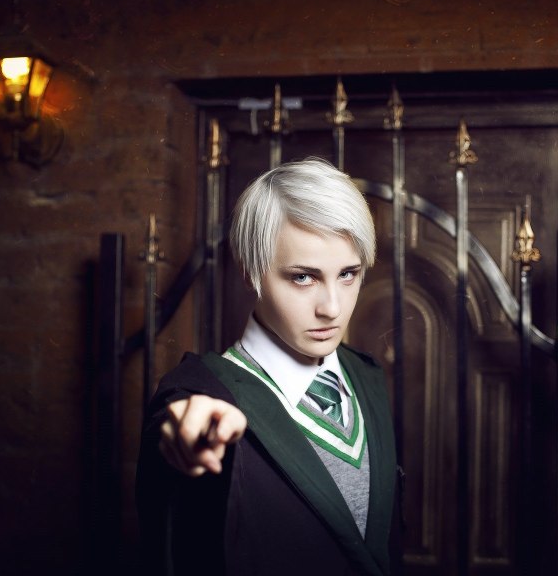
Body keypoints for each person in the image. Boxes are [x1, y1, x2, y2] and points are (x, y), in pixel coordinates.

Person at [136, 158, 402, 576]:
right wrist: (187, 437)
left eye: (348, 274)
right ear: (250, 272)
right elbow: (175, 433)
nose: (332, 307)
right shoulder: (201, 391)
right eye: (303, 277)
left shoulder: (365, 375)